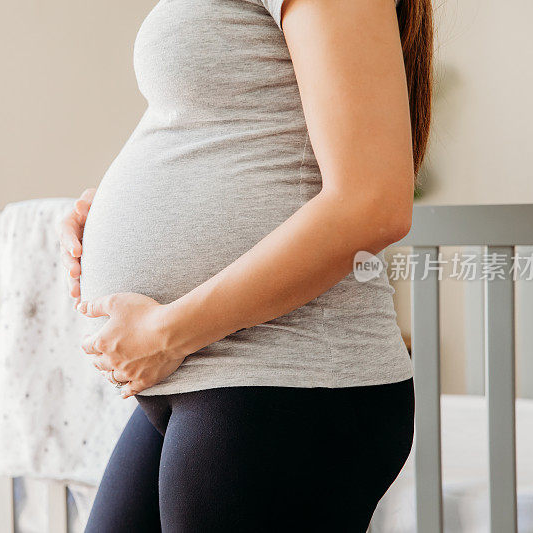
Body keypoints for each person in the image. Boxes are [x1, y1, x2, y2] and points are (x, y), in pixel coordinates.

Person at [56, 0, 432, 530]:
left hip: (287, 378)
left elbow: (373, 203)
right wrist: (112, 207)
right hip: (211, 376)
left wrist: (166, 333)